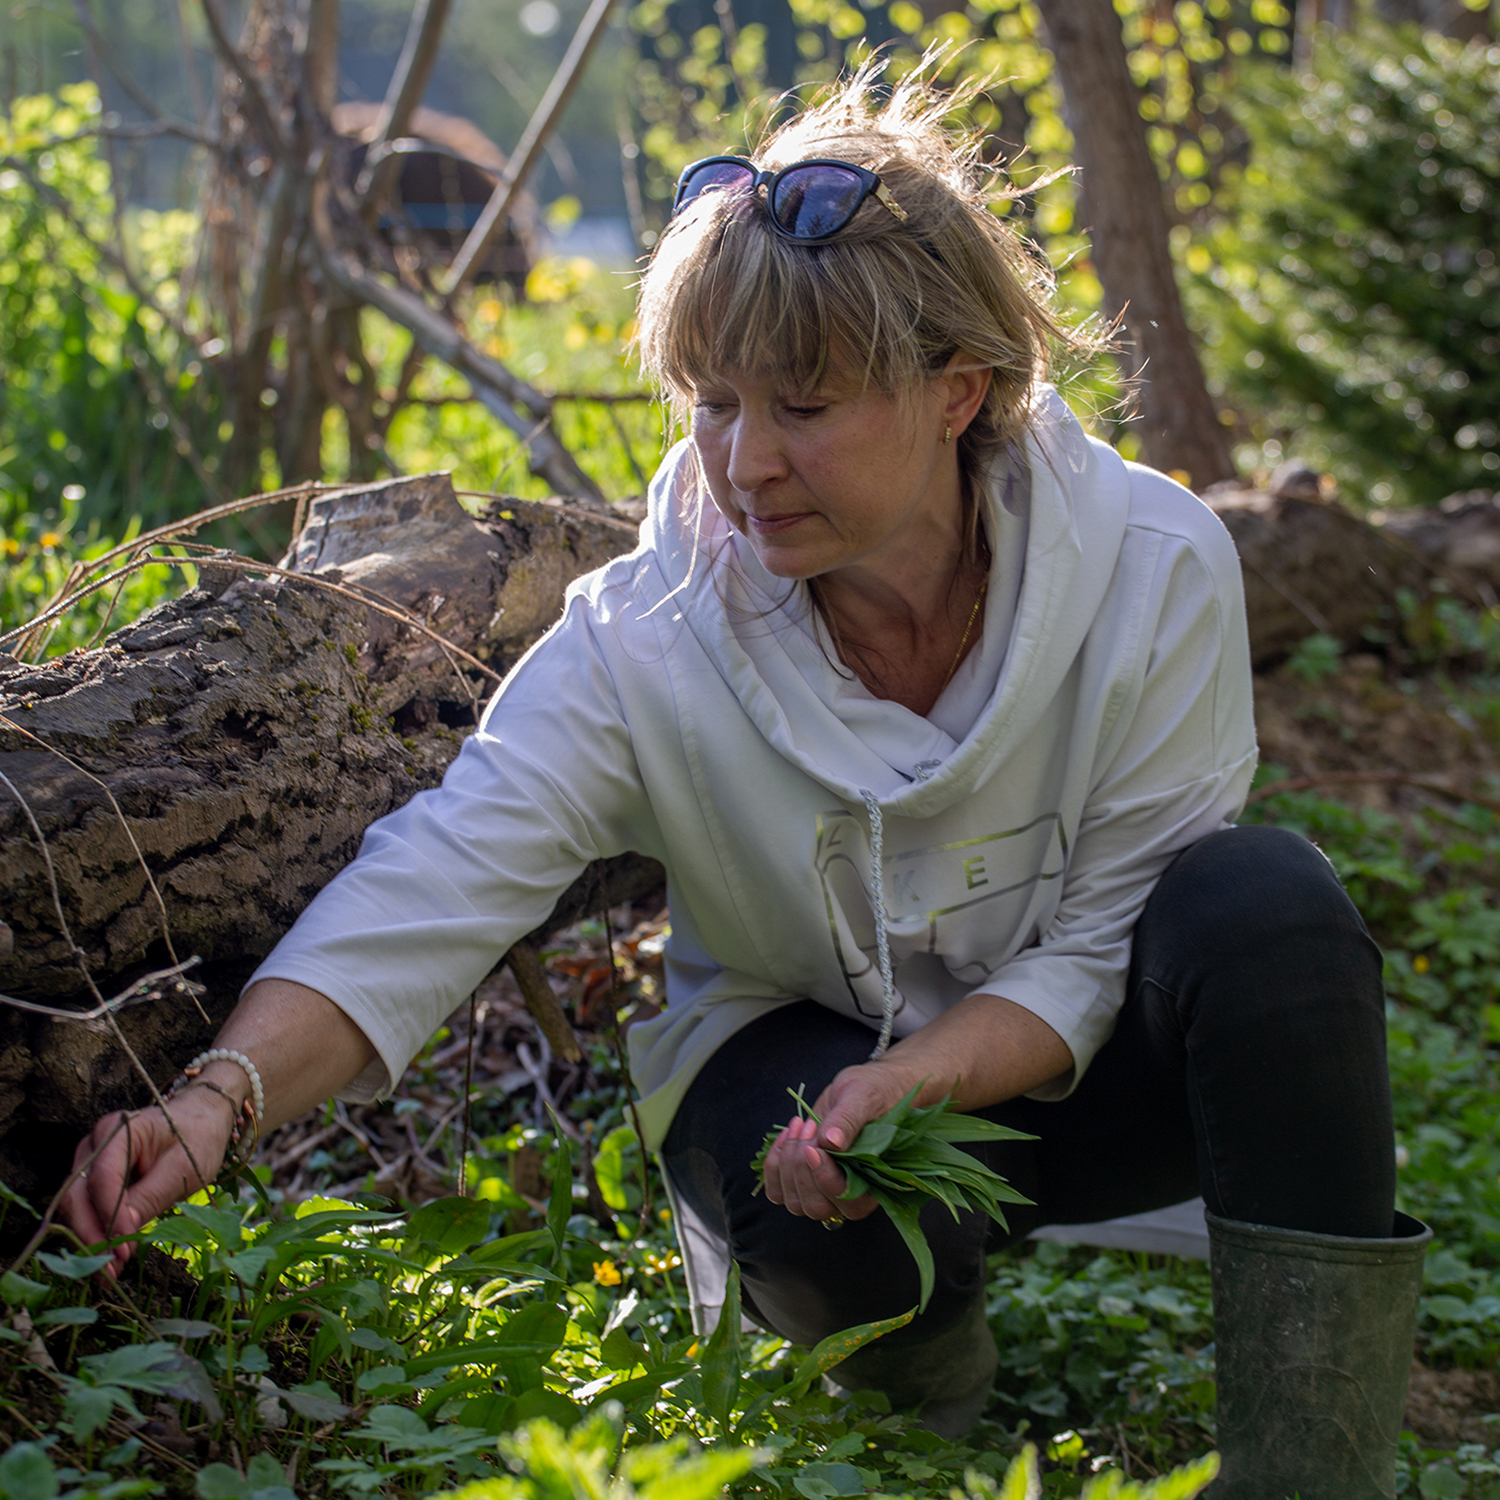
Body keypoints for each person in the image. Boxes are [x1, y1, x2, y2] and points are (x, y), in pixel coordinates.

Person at [65, 67, 1428, 1496]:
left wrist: (917, 1078)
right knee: (805, 1168)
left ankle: (1317, 1471)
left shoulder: (1154, 568)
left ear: (959, 388)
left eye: (806, 404)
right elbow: (441, 877)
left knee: (1272, 909)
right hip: (804, 1105)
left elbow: (1104, 946)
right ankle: (919, 1412)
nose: (744, 462)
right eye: (712, 403)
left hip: (1071, 1090)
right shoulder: (650, 632)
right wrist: (218, 1098)